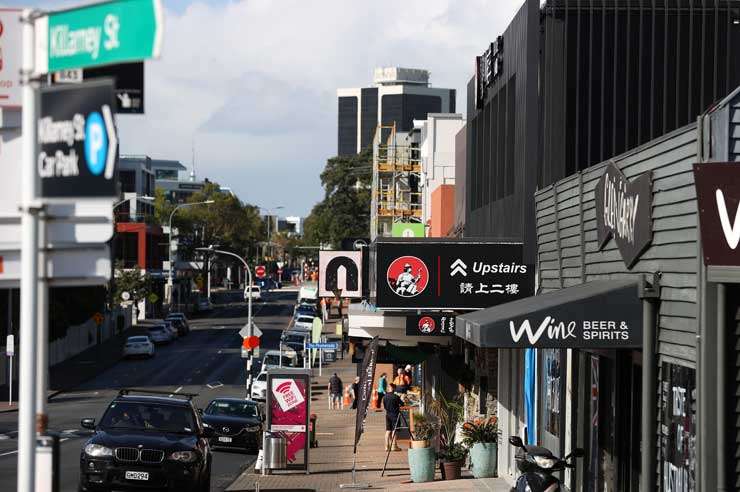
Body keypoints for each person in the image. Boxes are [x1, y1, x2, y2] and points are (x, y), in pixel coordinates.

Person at [383, 383, 402, 451]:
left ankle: (386, 446)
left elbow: (385, 406)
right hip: (395, 415)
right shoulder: (396, 397)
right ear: (393, 388)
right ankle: (394, 446)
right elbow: (402, 404)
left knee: (388, 431)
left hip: (388, 415)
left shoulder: (385, 397)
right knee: (394, 430)